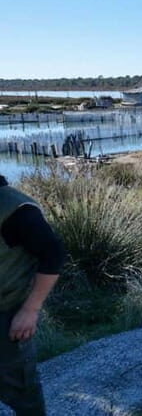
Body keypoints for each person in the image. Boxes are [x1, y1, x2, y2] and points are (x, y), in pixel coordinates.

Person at [0, 174, 65, 416]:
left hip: (6, 319)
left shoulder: (14, 208)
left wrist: (30, 310)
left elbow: (54, 254)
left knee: (22, 394)